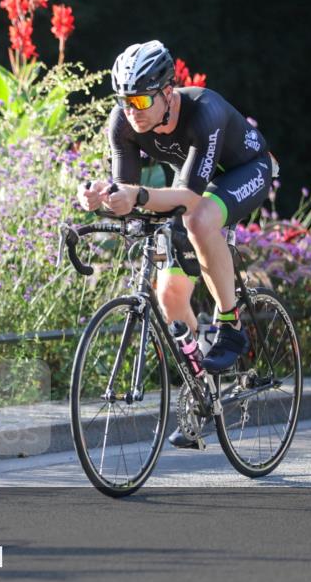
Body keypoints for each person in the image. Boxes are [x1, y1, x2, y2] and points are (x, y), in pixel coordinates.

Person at [77, 39, 277, 448]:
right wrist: (102, 199)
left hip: (245, 171)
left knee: (200, 218)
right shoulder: (123, 123)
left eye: (139, 99)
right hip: (195, 188)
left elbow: (187, 198)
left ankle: (230, 325)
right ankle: (203, 394)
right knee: (168, 295)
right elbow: (130, 193)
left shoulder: (205, 114)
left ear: (167, 92)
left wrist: (138, 197)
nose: (131, 111)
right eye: (123, 100)